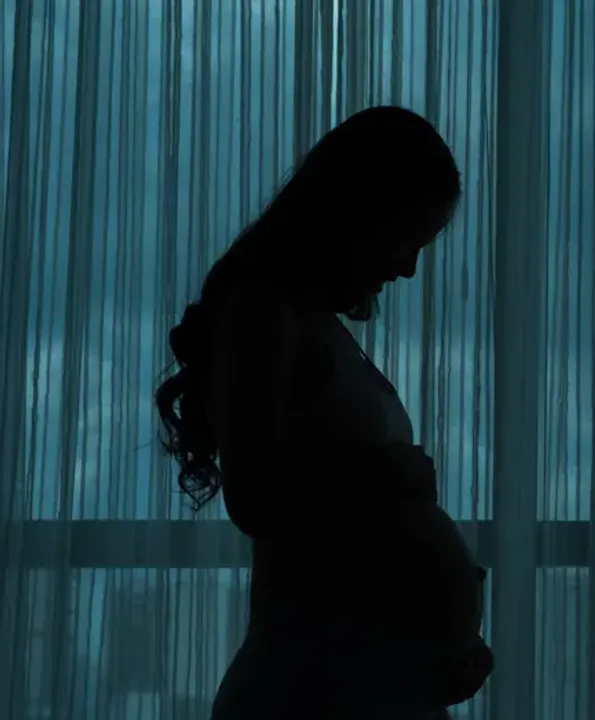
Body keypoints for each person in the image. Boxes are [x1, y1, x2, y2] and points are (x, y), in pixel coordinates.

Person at [155, 106, 491, 719]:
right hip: (308, 687)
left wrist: (438, 647)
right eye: (407, 239)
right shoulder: (263, 315)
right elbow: (257, 499)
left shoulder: (322, 328)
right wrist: (387, 477)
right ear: (358, 217)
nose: (407, 268)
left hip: (367, 681)